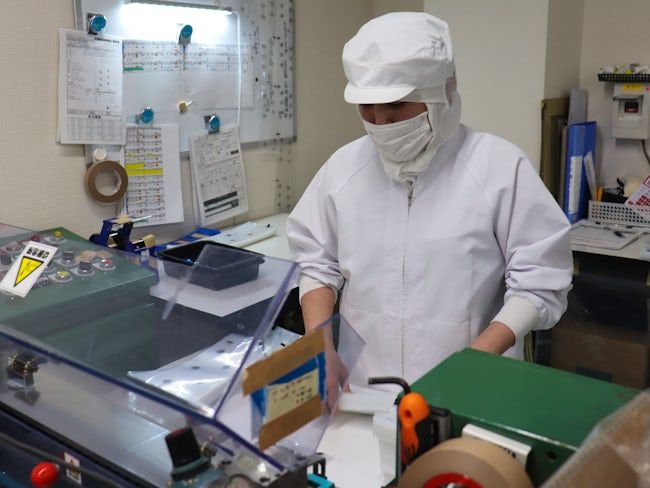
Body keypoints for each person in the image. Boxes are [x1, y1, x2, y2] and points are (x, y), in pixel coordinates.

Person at [287, 12, 573, 396]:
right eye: (367, 107)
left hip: (471, 389)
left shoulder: (498, 168)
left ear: (443, 93)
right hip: (366, 392)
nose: (380, 122)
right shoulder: (343, 169)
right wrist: (319, 344)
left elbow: (539, 280)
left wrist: (473, 362)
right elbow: (317, 264)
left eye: (396, 106)